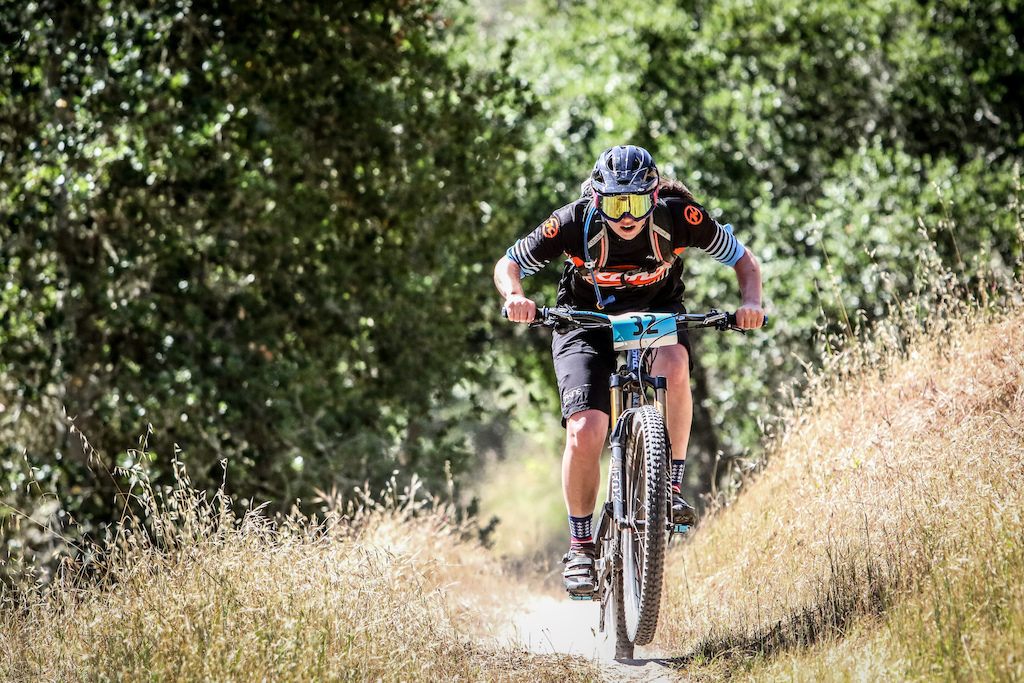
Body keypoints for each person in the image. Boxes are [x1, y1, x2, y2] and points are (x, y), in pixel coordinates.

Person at [494, 145, 764, 595]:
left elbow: (742, 258)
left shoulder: (680, 217)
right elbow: (509, 264)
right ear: (597, 199)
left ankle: (669, 487)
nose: (627, 216)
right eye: (616, 203)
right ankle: (581, 548)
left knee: (676, 365)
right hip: (586, 320)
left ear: (654, 197)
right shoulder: (572, 221)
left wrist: (750, 303)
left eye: (636, 202)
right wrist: (514, 297)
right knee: (586, 429)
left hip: (656, 314)